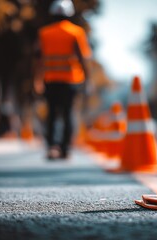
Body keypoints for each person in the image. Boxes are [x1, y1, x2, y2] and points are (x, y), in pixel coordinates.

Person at [34, 0, 92, 160]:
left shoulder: (44, 33)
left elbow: (39, 60)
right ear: (70, 13)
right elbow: (83, 58)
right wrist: (88, 79)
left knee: (52, 114)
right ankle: (65, 149)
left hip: (51, 80)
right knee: (67, 114)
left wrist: (37, 80)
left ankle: (53, 147)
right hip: (71, 81)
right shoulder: (76, 32)